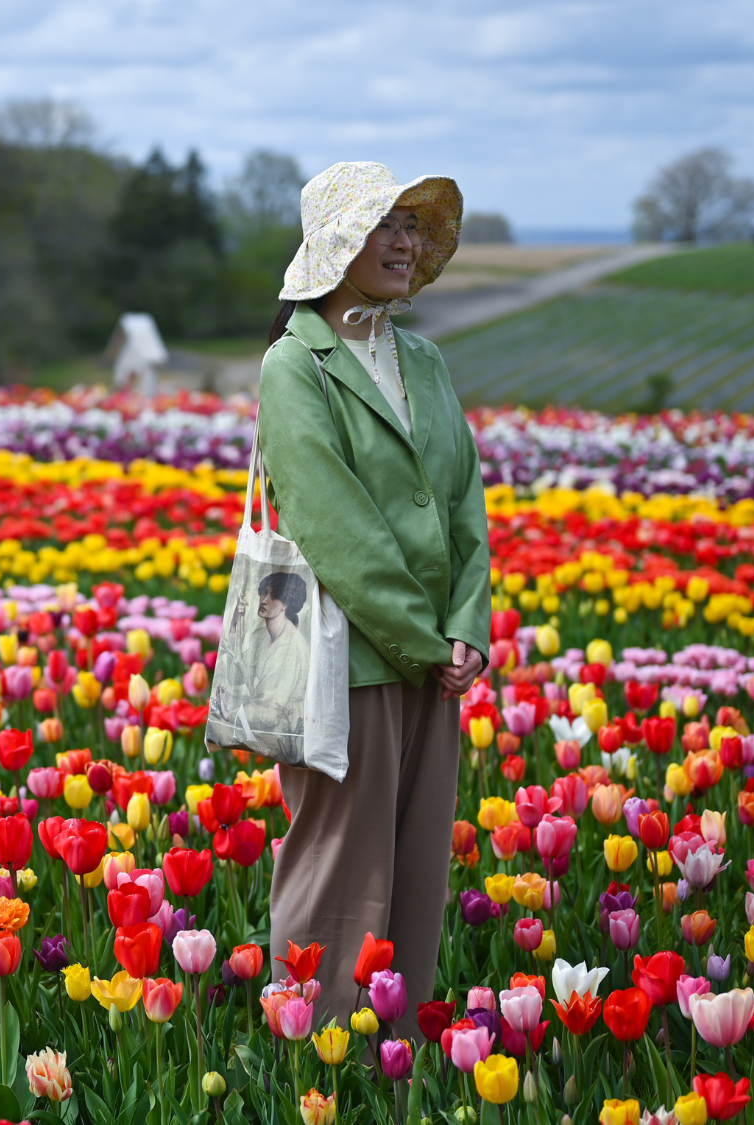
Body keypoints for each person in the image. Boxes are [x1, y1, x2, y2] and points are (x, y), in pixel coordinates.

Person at [258, 162, 490, 1037]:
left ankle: (396, 1058)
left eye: (408, 226)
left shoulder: (421, 359)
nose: (401, 242)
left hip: (437, 659)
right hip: (347, 660)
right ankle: (319, 1062)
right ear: (333, 247)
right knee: (343, 869)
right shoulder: (297, 365)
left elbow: (465, 497)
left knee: (420, 865)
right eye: (379, 226)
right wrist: (427, 640)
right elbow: (333, 526)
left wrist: (467, 626)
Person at [221, 569, 314, 747]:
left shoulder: (290, 647)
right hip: (266, 733)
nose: (264, 600)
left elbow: (270, 712)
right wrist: (234, 627)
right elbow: (236, 677)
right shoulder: (261, 635)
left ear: (286, 604)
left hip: (287, 738)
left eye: (273, 596)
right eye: (264, 592)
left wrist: (230, 714)